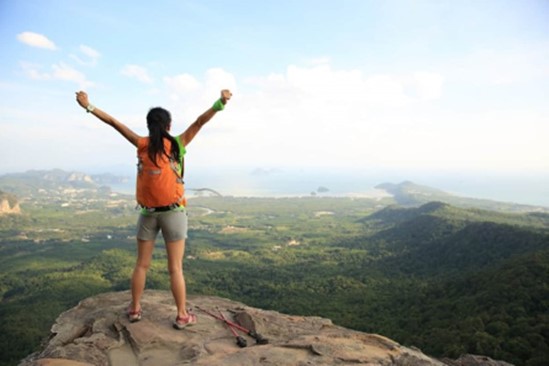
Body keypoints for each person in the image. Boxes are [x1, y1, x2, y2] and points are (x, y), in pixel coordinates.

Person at [75, 89, 232, 329]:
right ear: (169, 125)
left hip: (148, 213)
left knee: (141, 264)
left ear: (148, 126)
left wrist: (88, 106)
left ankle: (135, 309)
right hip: (174, 213)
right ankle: (181, 315)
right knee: (175, 268)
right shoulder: (178, 143)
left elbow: (114, 123)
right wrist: (220, 103)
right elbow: (200, 122)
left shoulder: (141, 144)